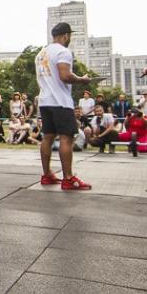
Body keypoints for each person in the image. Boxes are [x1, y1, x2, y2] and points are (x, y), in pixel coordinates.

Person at [35, 22, 93, 190]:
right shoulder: (63, 51)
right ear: (66, 35)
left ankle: (46, 175)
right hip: (60, 101)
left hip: (45, 101)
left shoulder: (41, 53)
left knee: (48, 137)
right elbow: (65, 76)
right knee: (66, 137)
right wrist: (82, 80)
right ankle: (68, 178)